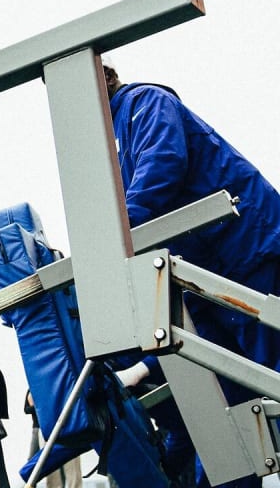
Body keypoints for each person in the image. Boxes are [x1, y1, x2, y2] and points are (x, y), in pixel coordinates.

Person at [104, 55, 280, 488]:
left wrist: (111, 238)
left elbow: (162, 163)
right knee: (225, 408)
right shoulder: (117, 145)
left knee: (272, 374)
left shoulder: (143, 102)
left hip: (248, 252)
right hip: (210, 282)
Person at [22, 391, 83, 488]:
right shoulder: (34, 387)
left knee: (71, 471)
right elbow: (29, 407)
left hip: (66, 426)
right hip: (47, 428)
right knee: (54, 473)